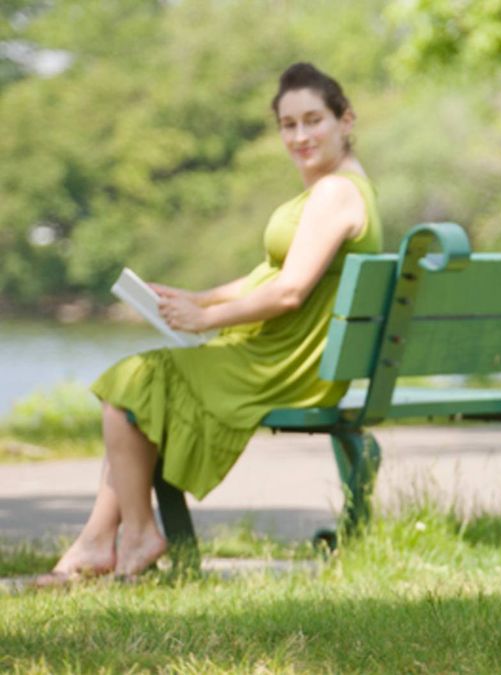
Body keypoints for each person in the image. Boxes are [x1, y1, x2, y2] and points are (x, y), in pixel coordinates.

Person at [37, 62, 383, 585]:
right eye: (288, 125)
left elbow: (289, 293)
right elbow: (268, 274)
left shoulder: (334, 194)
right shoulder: (337, 191)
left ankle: (136, 534)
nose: (300, 135)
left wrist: (206, 318)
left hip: (286, 364)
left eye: (313, 120)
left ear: (346, 120)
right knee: (137, 392)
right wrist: (199, 297)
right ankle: (98, 541)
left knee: (129, 386)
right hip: (293, 356)